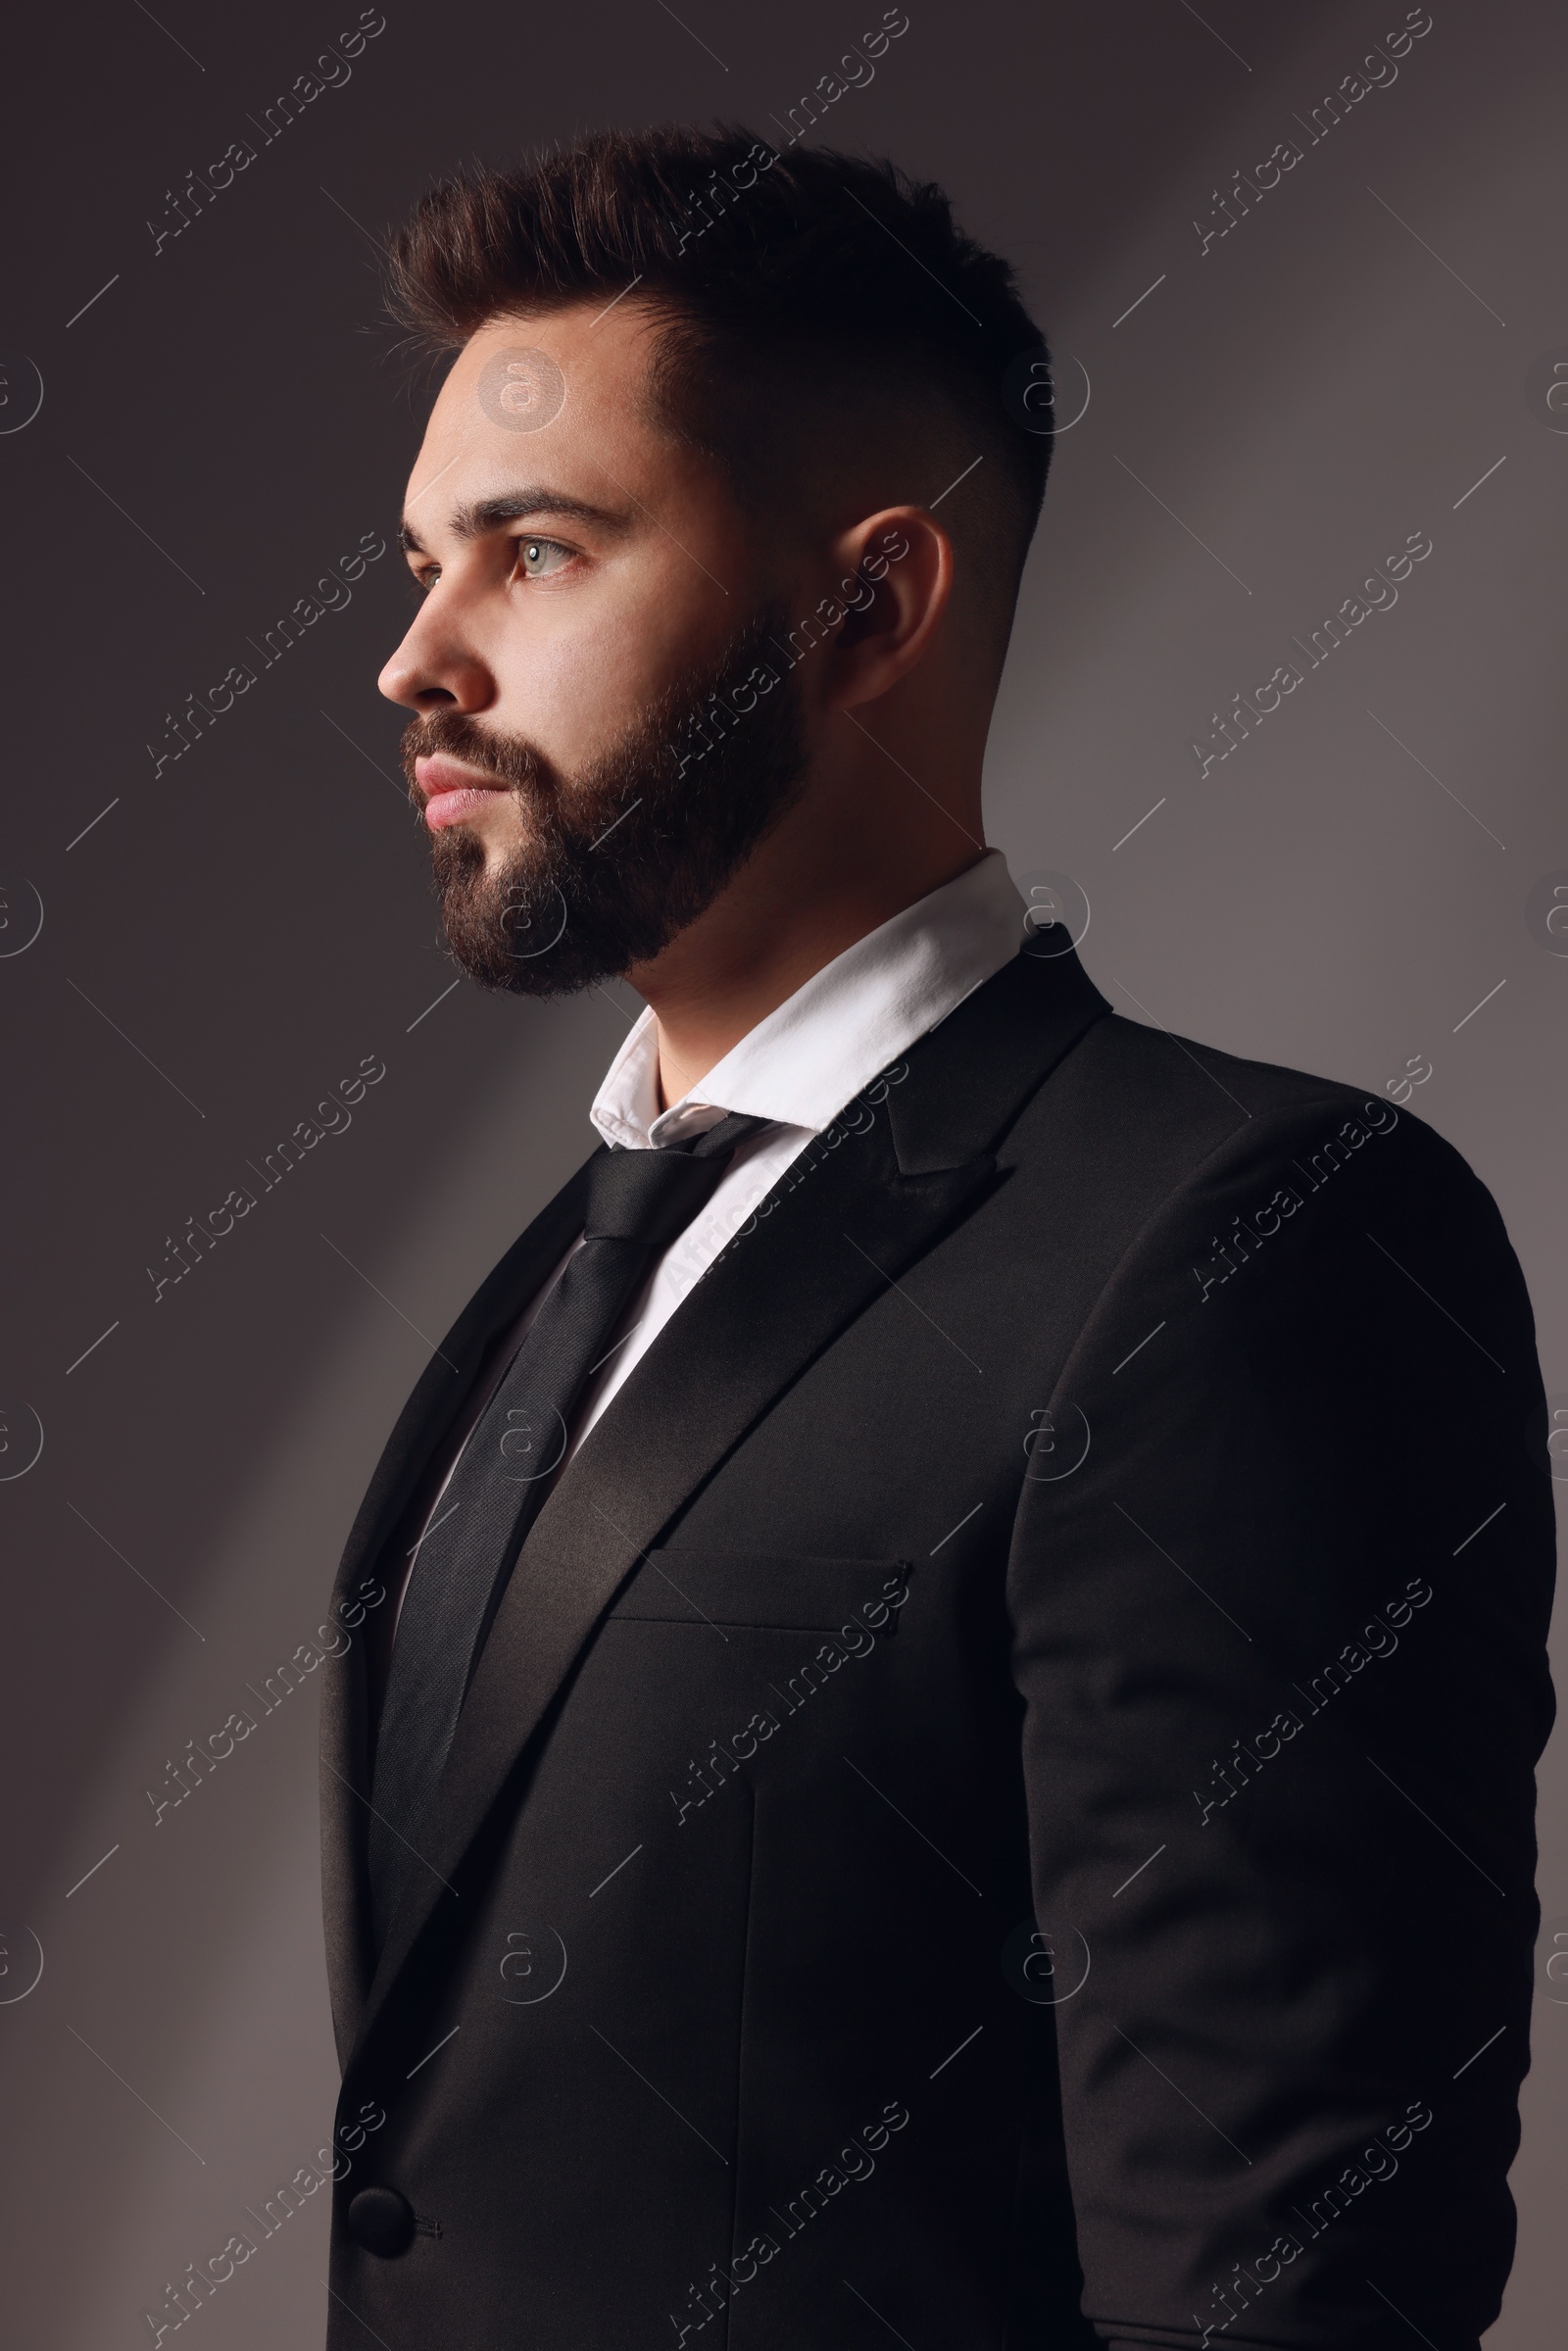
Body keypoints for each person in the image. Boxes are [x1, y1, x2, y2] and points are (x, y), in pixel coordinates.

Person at [319, 124, 1554, 2351]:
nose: (415, 659)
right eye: (417, 565)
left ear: (865, 605)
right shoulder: (550, 1293)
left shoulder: (1242, 1244)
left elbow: (1279, 2289)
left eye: (533, 553)